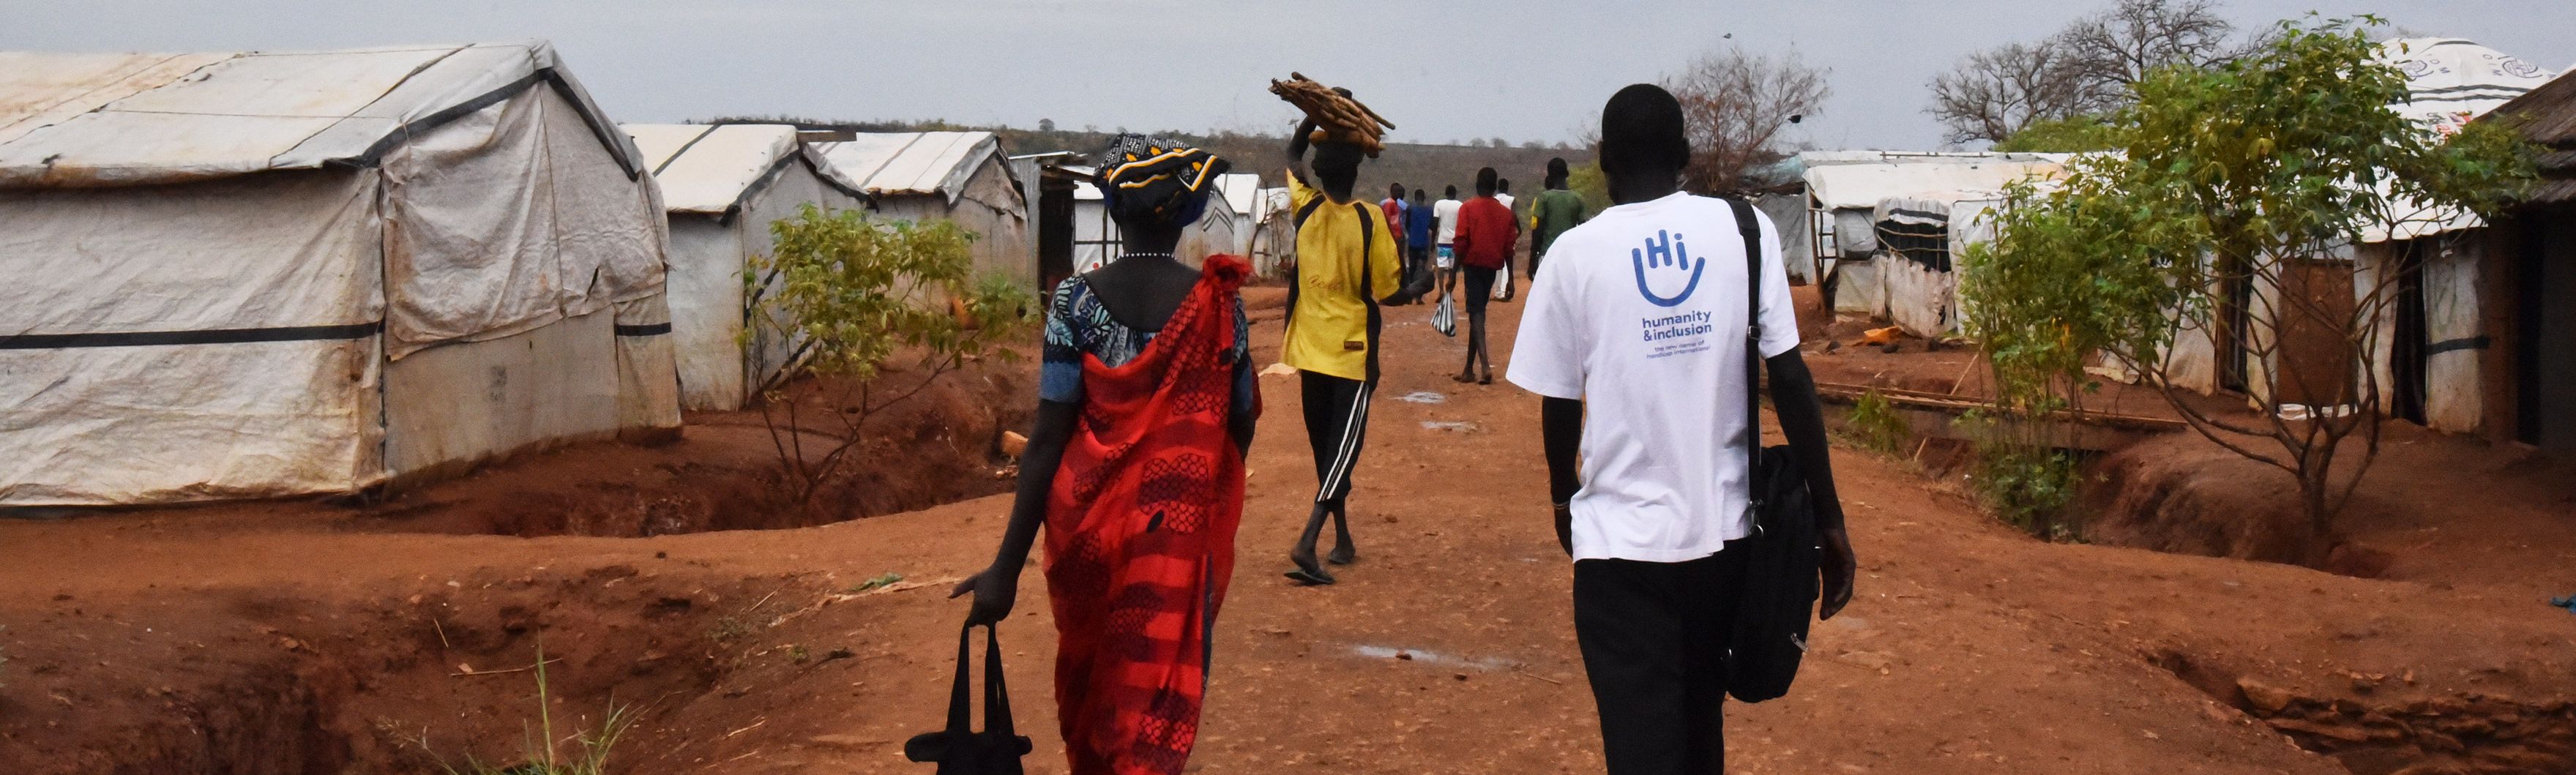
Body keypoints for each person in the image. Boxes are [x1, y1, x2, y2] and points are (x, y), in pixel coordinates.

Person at [1506, 84, 1858, 774]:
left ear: (1603, 159)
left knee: (1639, 747)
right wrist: (1830, 518)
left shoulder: (1573, 255)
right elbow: (1789, 381)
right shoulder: (1744, 231)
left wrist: (1561, 496)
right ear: (1686, 156)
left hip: (1617, 552)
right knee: (1700, 735)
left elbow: (1559, 400)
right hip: (1723, 541)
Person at [950, 134, 1261, 775]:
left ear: (1113, 211)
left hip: (1085, 531)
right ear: (1189, 214)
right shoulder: (1219, 305)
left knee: (1090, 687)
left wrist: (1003, 570)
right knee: (1153, 692)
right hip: (1171, 536)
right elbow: (1239, 421)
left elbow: (1046, 436)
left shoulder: (1073, 302)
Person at [1280, 109, 1422, 585]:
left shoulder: (1305, 208)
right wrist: (1422, 283)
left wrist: (1312, 114)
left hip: (1308, 349)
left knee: (1327, 450)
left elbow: (1292, 153)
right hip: (1352, 353)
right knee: (1342, 451)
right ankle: (1307, 541)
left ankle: (1341, 538)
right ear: (1357, 170)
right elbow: (1388, 292)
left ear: (1320, 171)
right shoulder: (1369, 220)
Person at [1449, 167, 1517, 384]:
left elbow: (1461, 242)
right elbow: (1509, 248)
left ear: (1478, 185)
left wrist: (1453, 272)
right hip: (1492, 267)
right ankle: (1469, 369)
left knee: (1476, 312)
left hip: (1473, 265)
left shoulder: (1468, 208)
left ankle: (1485, 365)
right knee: (1477, 311)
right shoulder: (1506, 215)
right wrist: (1512, 279)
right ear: (1495, 187)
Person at [1527, 157, 1588, 277]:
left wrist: (1532, 261)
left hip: (1548, 255)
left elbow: (1538, 232)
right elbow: (1584, 230)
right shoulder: (1578, 199)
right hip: (1570, 256)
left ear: (1549, 176)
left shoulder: (1544, 198)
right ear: (1567, 174)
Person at [1432, 184, 1464, 302]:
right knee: (1452, 268)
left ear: (1445, 193)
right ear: (1455, 193)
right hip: (1455, 242)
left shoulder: (1439, 204)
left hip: (1442, 241)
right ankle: (1449, 293)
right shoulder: (1460, 205)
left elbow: (1435, 224)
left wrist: (1432, 241)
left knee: (1441, 267)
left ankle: (1441, 291)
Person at [1492, 177, 1520, 302]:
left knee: (1496, 265)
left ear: (1498, 188)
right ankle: (1504, 291)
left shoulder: (1493, 200)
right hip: (1508, 233)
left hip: (1495, 234)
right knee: (1507, 263)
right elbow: (1514, 216)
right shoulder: (1511, 200)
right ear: (1507, 188)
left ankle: (1497, 292)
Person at [1405, 187, 1437, 289]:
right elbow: (1432, 226)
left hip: (1413, 242)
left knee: (1412, 266)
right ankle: (1419, 293)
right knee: (1422, 267)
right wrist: (1432, 242)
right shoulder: (1430, 209)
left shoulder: (1410, 208)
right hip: (1424, 242)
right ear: (1424, 197)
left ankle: (1409, 290)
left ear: (1415, 197)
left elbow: (1407, 224)